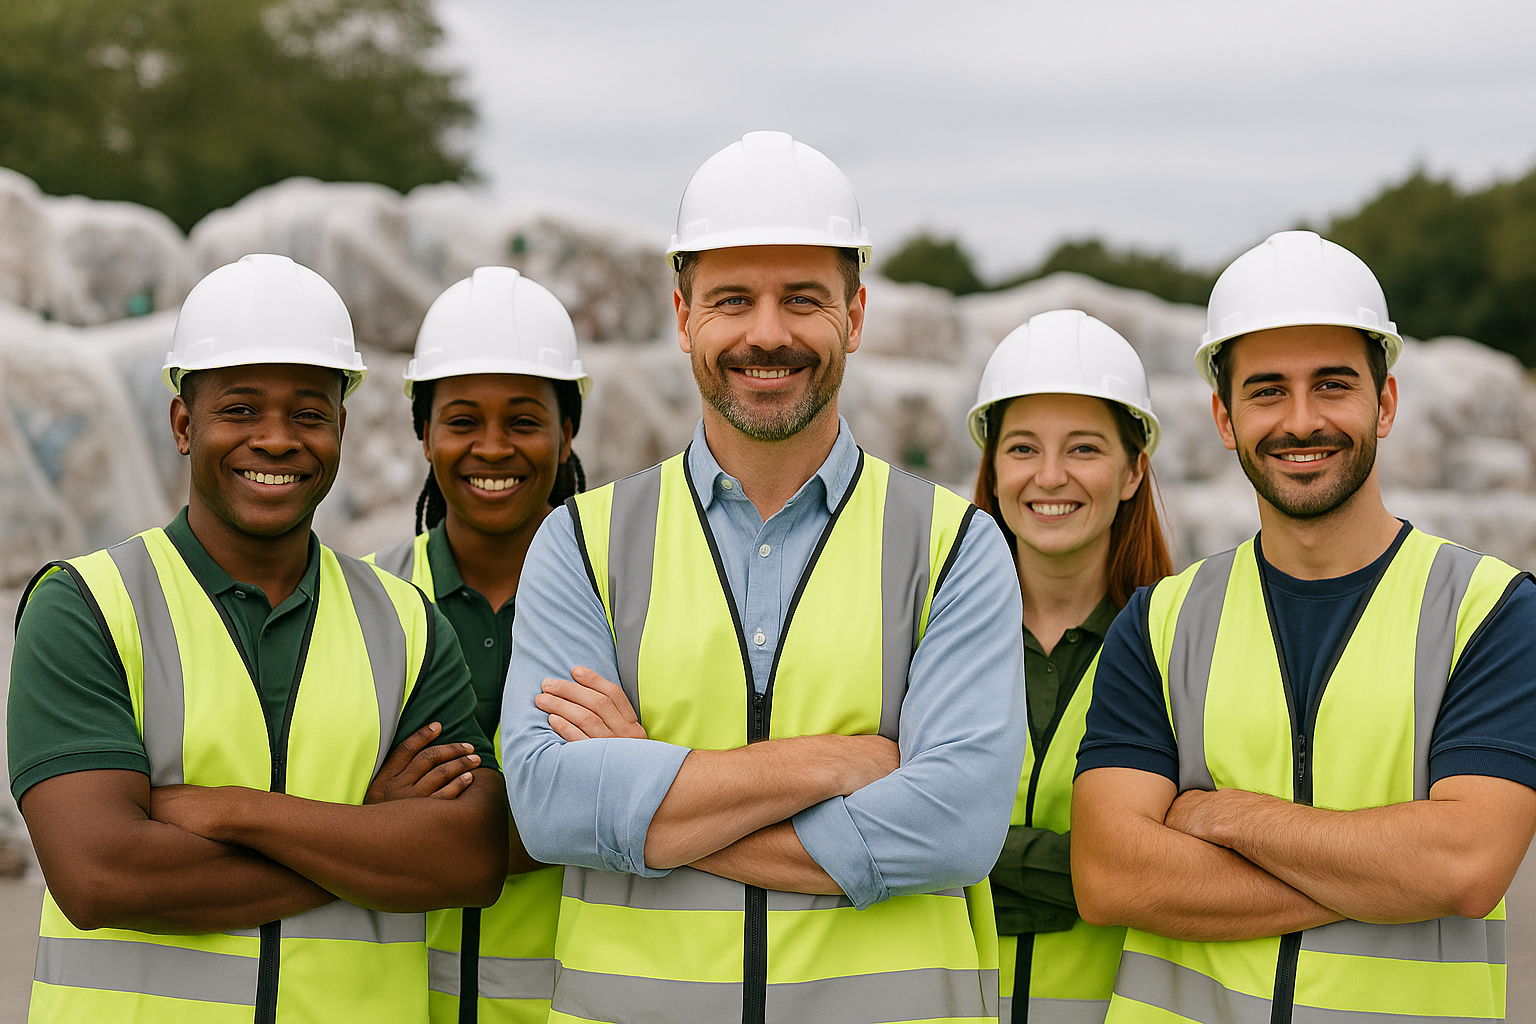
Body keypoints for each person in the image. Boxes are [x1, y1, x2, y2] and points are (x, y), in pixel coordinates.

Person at [500, 130, 1027, 1024]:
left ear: (855, 316)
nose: (768, 334)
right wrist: (838, 763)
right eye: (733, 299)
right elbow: (551, 807)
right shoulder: (582, 543)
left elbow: (955, 828)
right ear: (683, 317)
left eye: (803, 299)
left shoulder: (956, 548)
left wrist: (645, 799)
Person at [7, 253, 509, 1023]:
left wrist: (236, 811)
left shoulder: (406, 623)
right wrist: (369, 839)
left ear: (340, 428)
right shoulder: (85, 608)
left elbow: (470, 860)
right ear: (184, 423)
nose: (277, 440)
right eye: (240, 410)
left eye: (308, 413)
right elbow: (101, 875)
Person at [1071, 230, 1536, 1021]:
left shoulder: (1489, 612)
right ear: (1223, 417)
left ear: (1384, 404)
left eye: (1332, 385)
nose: (1301, 420)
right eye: (1266, 391)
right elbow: (1113, 876)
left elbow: (1462, 866)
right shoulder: (1161, 623)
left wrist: (1222, 815)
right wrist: (1382, 874)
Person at [366, 265, 590, 1024]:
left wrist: (405, 820)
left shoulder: (632, 603)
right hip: (390, 1006)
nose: (492, 448)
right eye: (462, 420)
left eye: (524, 420)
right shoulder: (360, 602)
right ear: (423, 432)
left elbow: (650, 804)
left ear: (569, 433)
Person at [967, 310, 1171, 1023]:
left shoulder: (1183, 649)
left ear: (1132, 471)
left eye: (1084, 449)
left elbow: (1175, 866)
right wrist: (1093, 867)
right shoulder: (924, 638)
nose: (1049, 477)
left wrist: (965, 856)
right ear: (992, 470)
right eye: (1022, 449)